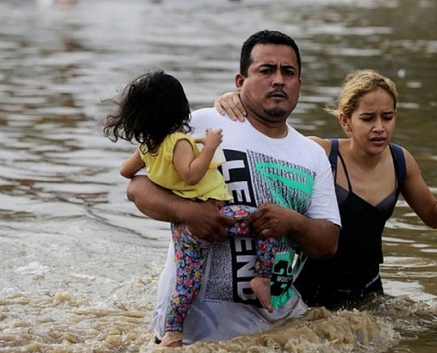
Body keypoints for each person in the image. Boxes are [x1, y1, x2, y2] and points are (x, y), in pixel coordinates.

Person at [215, 69, 437, 309]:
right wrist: (235, 102)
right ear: (346, 121)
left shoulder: (400, 160)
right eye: (368, 118)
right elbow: (264, 145)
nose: (379, 127)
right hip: (308, 293)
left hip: (368, 293)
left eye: (387, 117)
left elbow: (433, 216)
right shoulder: (319, 152)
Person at [125, 30, 341, 344]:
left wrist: (292, 221)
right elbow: (137, 188)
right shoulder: (202, 124)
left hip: (276, 333)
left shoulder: (312, 155)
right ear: (240, 82)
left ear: (299, 85)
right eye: (266, 70)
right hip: (193, 333)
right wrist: (189, 212)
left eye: (288, 72)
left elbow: (328, 244)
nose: (278, 80)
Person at [103, 70, 286, 346]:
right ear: (179, 109)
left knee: (186, 283)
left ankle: (173, 333)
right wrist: (210, 145)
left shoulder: (146, 148)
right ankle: (261, 279)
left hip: (183, 229)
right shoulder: (180, 142)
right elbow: (191, 174)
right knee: (267, 222)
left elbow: (125, 170)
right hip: (215, 214)